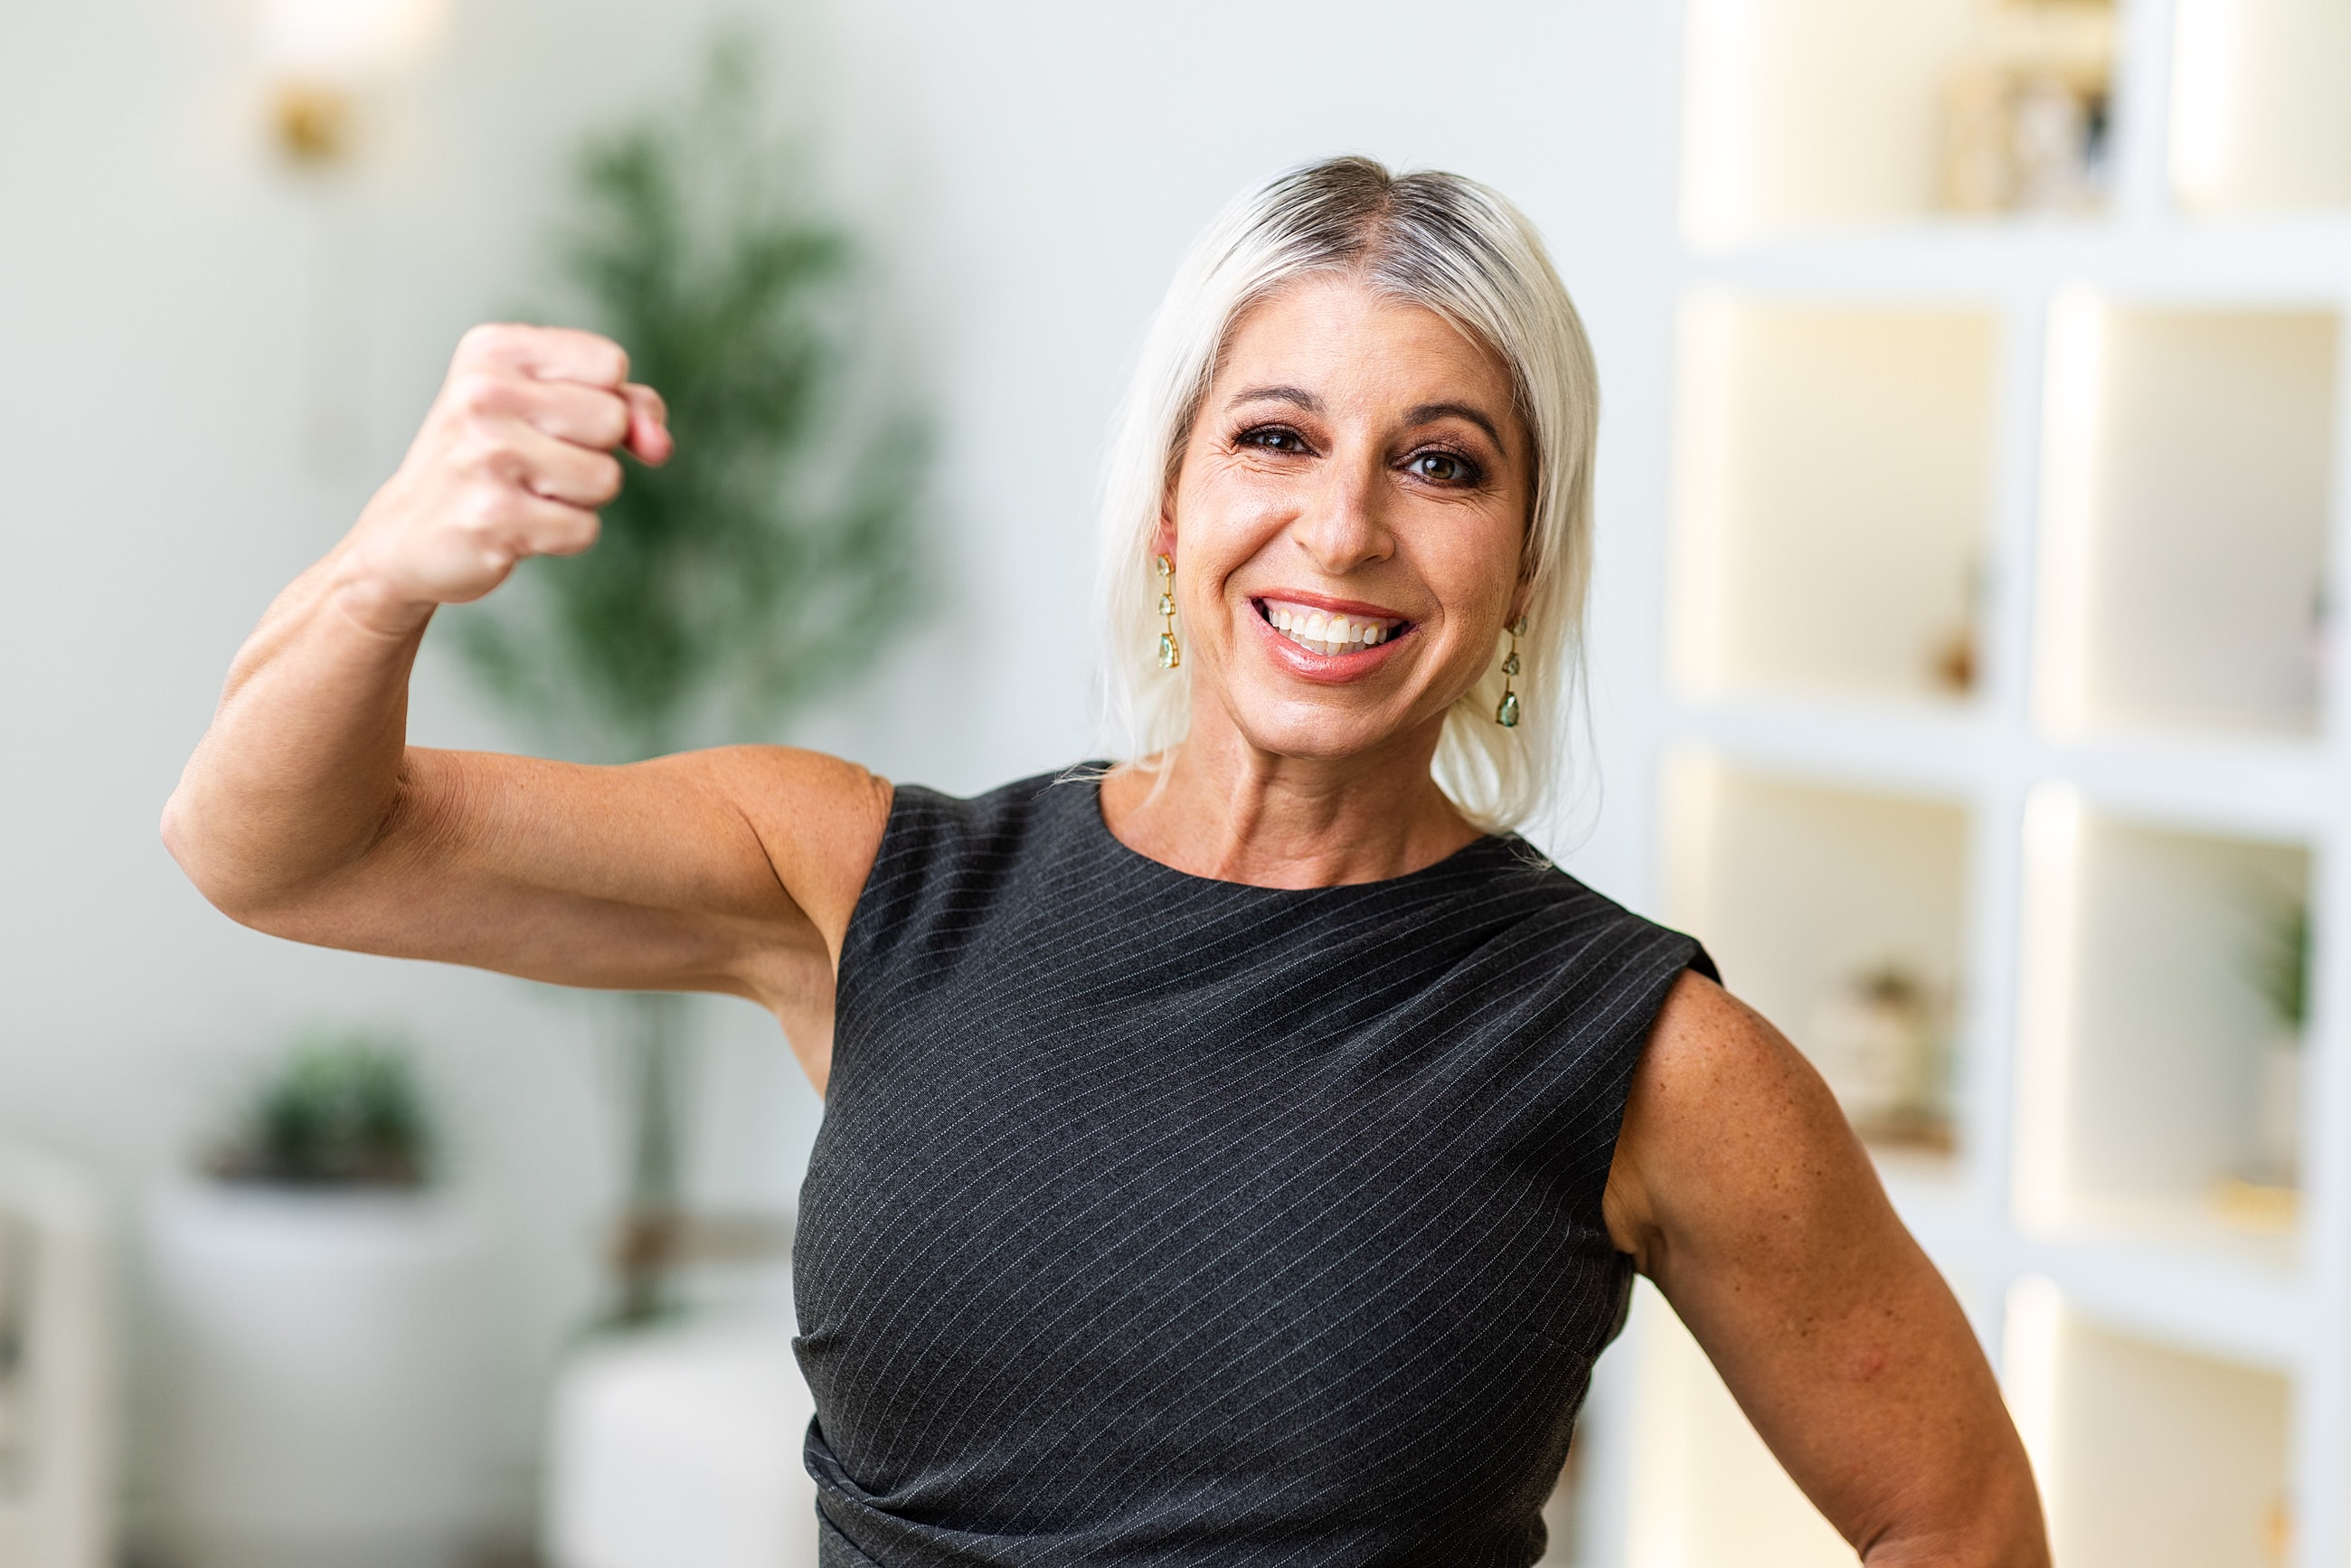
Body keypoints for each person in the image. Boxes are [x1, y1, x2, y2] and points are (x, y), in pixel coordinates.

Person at [165, 156, 2047, 1566]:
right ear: (1167, 504)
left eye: (1442, 464)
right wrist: (384, 572)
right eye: (1276, 437)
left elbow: (1958, 1526)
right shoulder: (864, 885)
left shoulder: (1648, 1056)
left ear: (1526, 564)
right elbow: (277, 851)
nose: (1343, 529)